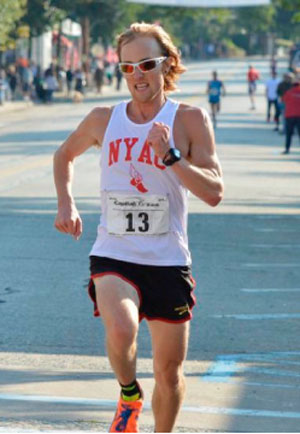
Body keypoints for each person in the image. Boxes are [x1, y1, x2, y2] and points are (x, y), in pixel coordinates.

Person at [53, 22, 224, 433]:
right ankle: (129, 393)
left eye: (146, 64)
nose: (137, 75)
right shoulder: (102, 118)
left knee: (169, 373)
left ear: (166, 65)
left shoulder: (190, 119)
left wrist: (172, 158)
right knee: (123, 325)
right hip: (114, 252)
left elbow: (215, 191)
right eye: (127, 67)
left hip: (168, 259)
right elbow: (64, 155)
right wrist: (66, 202)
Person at [281, 75, 300, 154]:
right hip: (299, 116)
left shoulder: (289, 92)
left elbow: (283, 100)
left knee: (289, 134)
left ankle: (287, 149)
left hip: (290, 115)